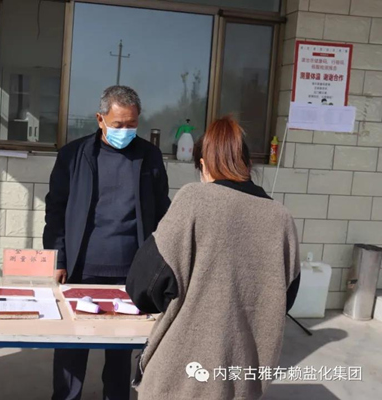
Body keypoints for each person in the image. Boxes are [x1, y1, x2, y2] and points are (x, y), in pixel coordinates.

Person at [126, 116, 301, 400]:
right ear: (247, 165)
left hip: (180, 380)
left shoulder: (194, 199)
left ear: (204, 165)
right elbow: (284, 300)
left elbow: (143, 285)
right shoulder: (281, 218)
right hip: (241, 383)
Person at [44, 85, 170, 400]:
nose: (125, 131)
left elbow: (162, 210)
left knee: (121, 350)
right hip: (81, 267)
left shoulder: (149, 156)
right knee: (72, 346)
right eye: (118, 124)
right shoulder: (74, 155)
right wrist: (58, 259)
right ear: (100, 119)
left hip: (131, 270)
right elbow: (56, 210)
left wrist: (160, 264)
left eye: (132, 124)